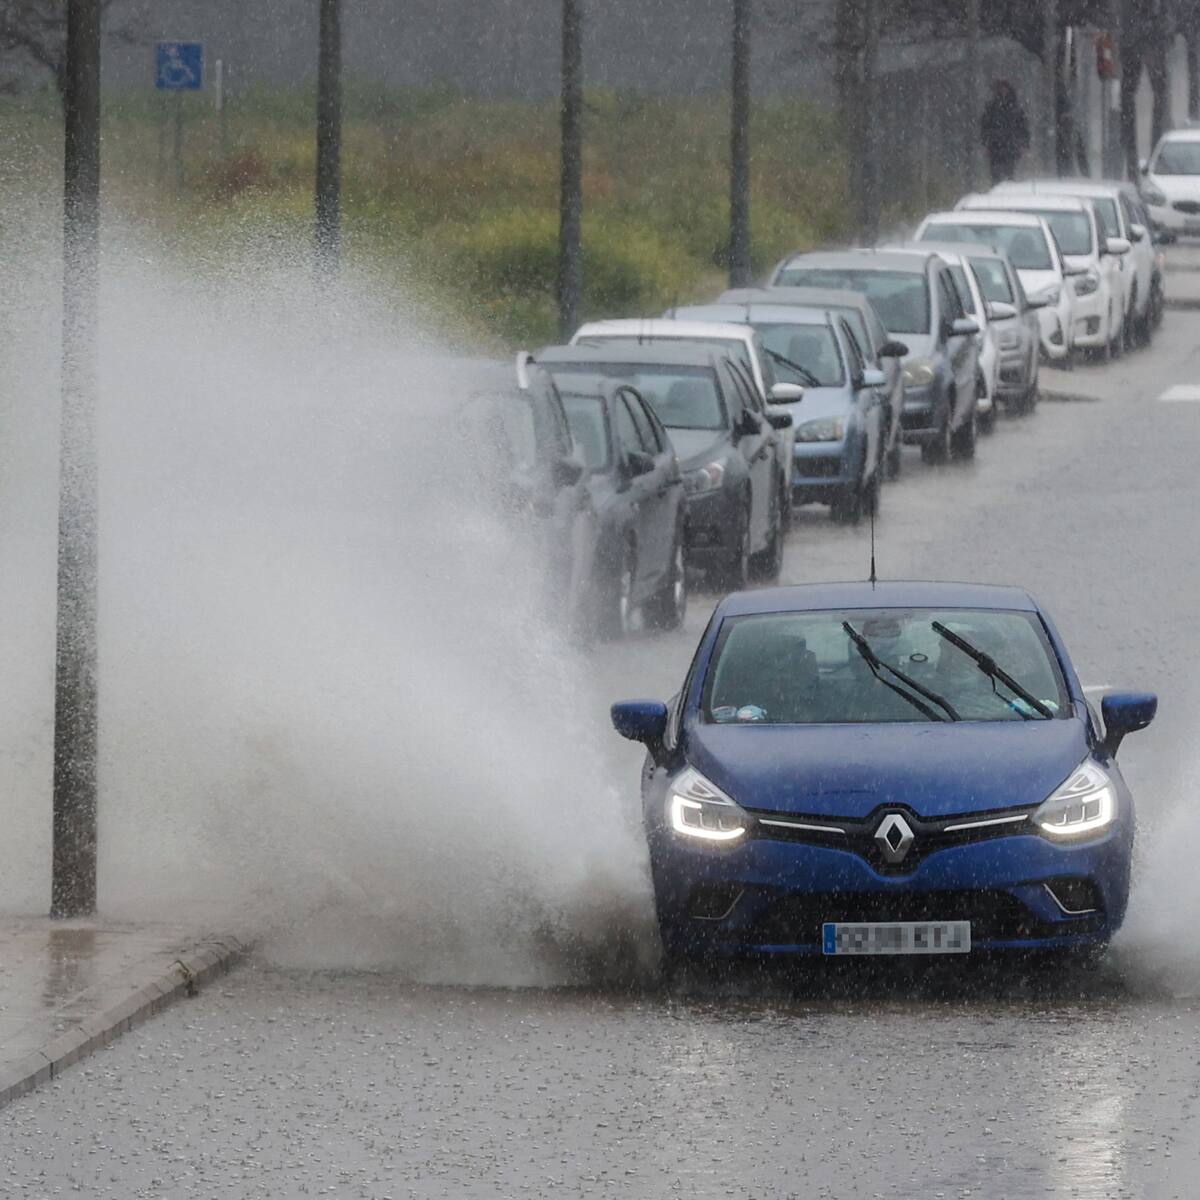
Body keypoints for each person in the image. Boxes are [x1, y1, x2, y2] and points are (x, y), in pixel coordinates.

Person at [980, 80, 1030, 185]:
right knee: (995, 173)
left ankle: (1008, 189)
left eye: (1004, 88)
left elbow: (1023, 126)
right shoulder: (991, 107)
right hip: (995, 144)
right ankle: (996, 189)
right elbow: (985, 125)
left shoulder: (1015, 107)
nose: (1003, 91)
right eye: (1000, 89)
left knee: (1009, 171)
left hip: (1011, 144)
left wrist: (1025, 142)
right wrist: (985, 141)